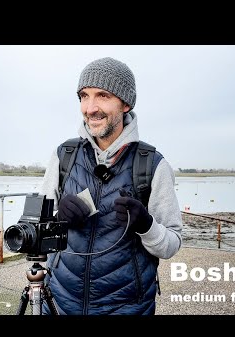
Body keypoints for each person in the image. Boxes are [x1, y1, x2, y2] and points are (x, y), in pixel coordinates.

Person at [40, 57, 183, 315]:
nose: (90, 108)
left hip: (127, 308)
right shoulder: (64, 155)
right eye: (84, 96)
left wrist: (146, 225)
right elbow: (35, 234)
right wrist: (56, 220)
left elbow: (172, 244)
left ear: (125, 103)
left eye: (102, 95)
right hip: (59, 303)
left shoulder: (153, 165)